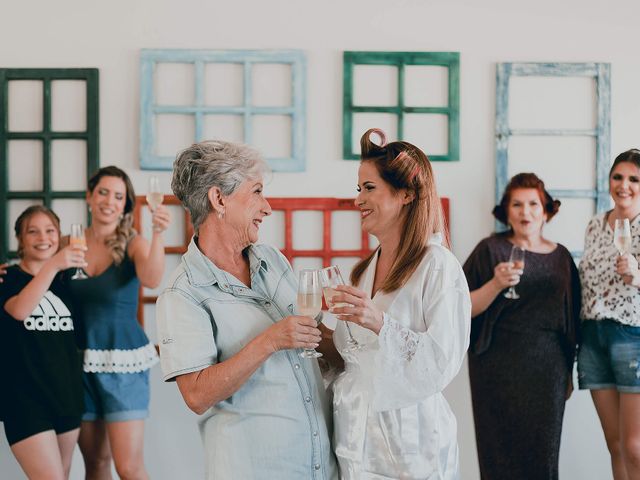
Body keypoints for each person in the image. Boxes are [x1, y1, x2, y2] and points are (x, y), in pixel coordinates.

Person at [155, 140, 337, 480]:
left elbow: (312, 337)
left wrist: (361, 328)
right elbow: (196, 394)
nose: (267, 208)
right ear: (219, 199)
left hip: (318, 467)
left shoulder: (272, 259)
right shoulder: (183, 293)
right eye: (256, 192)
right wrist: (269, 341)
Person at [324, 128, 471, 479]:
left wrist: (379, 322)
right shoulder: (362, 272)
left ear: (406, 194)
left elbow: (443, 359)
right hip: (354, 436)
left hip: (412, 442)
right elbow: (352, 358)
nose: (358, 200)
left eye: (369, 188)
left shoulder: (438, 266)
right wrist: (313, 335)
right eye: (358, 189)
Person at [463, 172, 580, 480]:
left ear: (546, 210)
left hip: (548, 368)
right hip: (495, 366)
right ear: (506, 210)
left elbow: (572, 319)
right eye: (517, 204)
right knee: (498, 452)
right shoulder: (489, 250)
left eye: (532, 204)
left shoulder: (562, 257)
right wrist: (495, 284)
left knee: (543, 454)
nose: (525, 212)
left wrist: (569, 370)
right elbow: (460, 307)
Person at [67, 166, 170, 480]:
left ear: (125, 205)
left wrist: (160, 233)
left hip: (123, 363)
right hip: (77, 364)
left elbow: (152, 279)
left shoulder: (134, 243)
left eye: (118, 196)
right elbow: (35, 274)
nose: (109, 201)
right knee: (95, 464)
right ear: (89, 196)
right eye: (102, 192)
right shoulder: (68, 242)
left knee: (128, 468)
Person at [0, 206, 85, 479]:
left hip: (67, 397)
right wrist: (54, 264)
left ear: (59, 236)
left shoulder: (67, 280)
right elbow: (19, 310)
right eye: (32, 231)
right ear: (20, 240)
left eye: (50, 231)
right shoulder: (7, 278)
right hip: (24, 402)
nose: (42, 237)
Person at [578, 149, 640, 480]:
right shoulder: (594, 225)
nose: (624, 185)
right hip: (593, 337)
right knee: (614, 445)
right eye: (618, 177)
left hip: (632, 336)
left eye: (634, 179)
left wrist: (637, 276)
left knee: (635, 447)